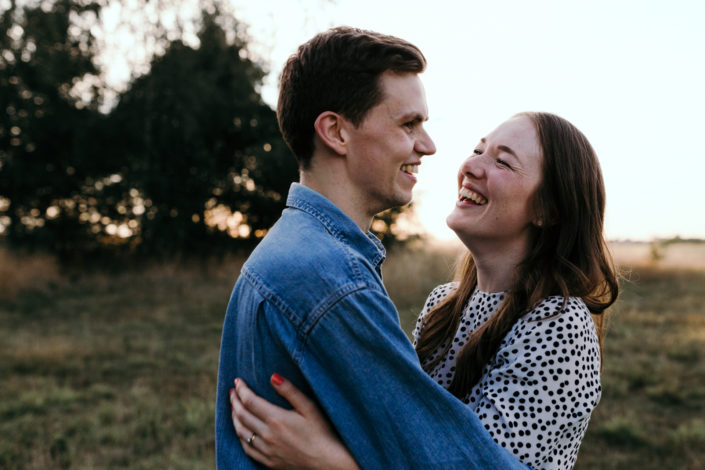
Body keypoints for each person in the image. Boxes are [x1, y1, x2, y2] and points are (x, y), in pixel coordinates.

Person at [228, 111, 619, 470]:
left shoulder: (557, 325)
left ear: (547, 210)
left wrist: (328, 462)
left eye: (502, 161)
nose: (470, 166)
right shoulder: (443, 305)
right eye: (477, 149)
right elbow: (404, 445)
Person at [216, 26, 531, 469]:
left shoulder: (290, 250)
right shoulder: (329, 279)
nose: (428, 145)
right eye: (408, 124)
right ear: (336, 132)